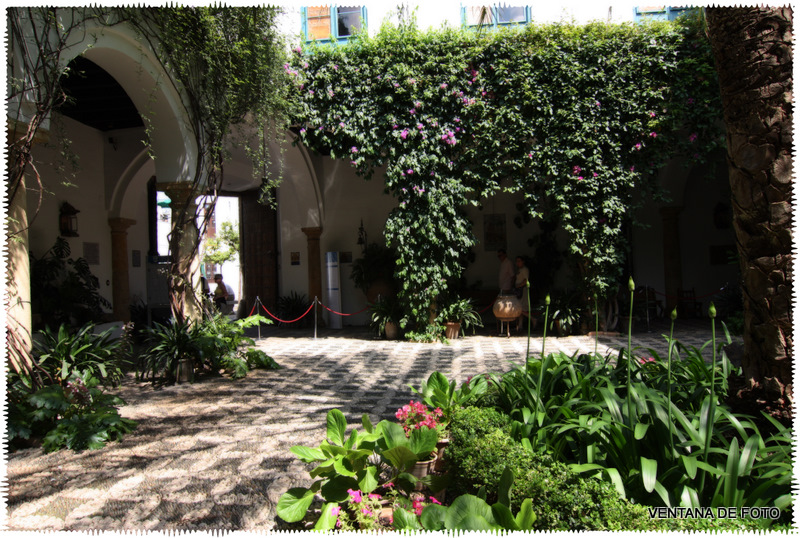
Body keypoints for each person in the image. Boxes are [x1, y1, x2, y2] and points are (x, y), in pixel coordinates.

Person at [514, 256, 530, 330]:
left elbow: (525, 280)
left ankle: (533, 319)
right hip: (518, 290)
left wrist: (518, 286)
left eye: (519, 261)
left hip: (522, 290)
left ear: (523, 261)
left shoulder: (525, 269)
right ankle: (520, 325)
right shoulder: (519, 270)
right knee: (519, 307)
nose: (518, 263)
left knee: (521, 308)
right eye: (517, 261)